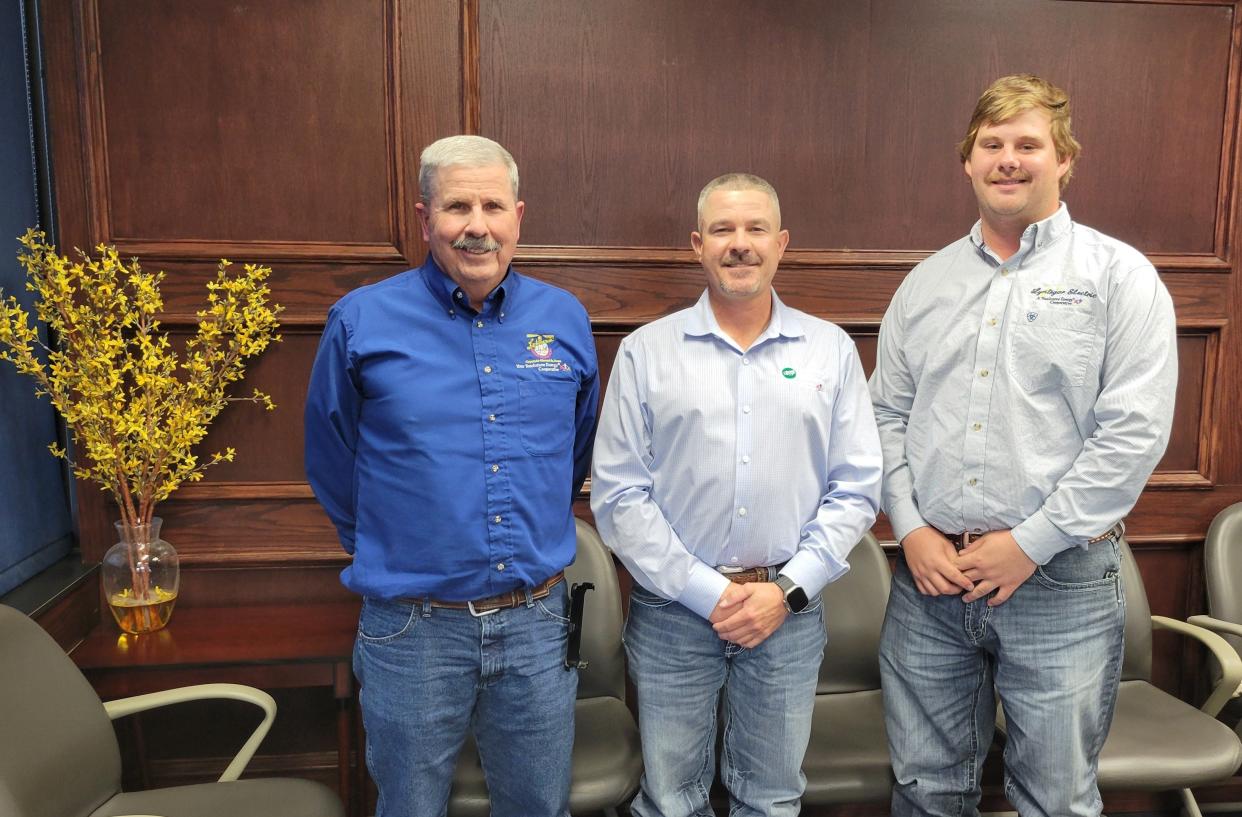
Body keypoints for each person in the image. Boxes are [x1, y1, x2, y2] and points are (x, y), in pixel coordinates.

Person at [870, 74, 1177, 817]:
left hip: (1060, 581)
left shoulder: (1118, 277)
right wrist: (908, 528)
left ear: (1065, 158)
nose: (1009, 159)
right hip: (930, 582)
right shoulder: (925, 283)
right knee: (924, 790)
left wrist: (1029, 542)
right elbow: (883, 416)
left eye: (1028, 144)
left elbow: (1132, 435)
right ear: (967, 161)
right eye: (993, 144)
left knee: (1055, 798)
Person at [304, 134, 599, 817]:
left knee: (537, 806)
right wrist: (393, 541)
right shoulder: (362, 320)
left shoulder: (564, 320)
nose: (477, 224)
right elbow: (330, 454)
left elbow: (572, 457)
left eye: (493, 205)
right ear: (424, 217)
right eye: (456, 205)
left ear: (518, 215)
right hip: (415, 628)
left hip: (535, 623)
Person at [591, 172, 882, 817]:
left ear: (782, 244)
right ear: (698, 244)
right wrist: (707, 591)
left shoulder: (829, 350)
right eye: (723, 230)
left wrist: (785, 592)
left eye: (755, 230)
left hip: (789, 614)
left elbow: (857, 489)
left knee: (772, 800)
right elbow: (618, 495)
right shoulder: (647, 352)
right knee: (670, 802)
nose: (739, 244)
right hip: (673, 615)